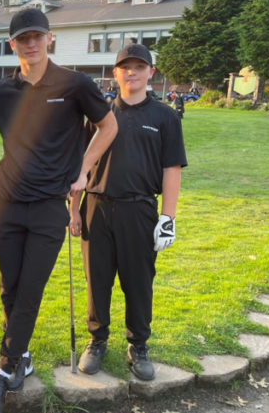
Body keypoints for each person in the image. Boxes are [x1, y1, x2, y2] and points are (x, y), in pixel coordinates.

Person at [0, 8, 118, 413]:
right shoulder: (0, 92)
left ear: (49, 39)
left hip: (49, 208)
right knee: (9, 285)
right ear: (13, 43)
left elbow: (108, 127)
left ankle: (3, 369)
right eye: (22, 38)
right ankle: (23, 357)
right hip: (6, 204)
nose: (30, 44)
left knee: (30, 288)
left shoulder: (74, 85)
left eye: (37, 36)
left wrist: (84, 167)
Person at [72, 43, 187, 382]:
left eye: (139, 66)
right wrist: (73, 210)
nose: (132, 72)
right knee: (98, 281)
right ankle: (97, 341)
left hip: (140, 210)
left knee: (138, 283)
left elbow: (172, 169)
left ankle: (138, 345)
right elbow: (81, 167)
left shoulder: (165, 116)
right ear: (116, 72)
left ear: (151, 72)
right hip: (96, 207)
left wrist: (168, 217)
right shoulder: (100, 115)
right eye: (126, 66)